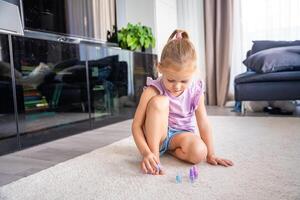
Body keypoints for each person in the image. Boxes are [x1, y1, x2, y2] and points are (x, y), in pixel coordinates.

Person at [131, 29, 233, 175]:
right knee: (160, 102)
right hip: (157, 137)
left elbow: (203, 122)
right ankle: (155, 157)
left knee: (200, 152)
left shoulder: (196, 90)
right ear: (160, 68)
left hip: (180, 137)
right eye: (171, 80)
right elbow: (136, 126)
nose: (177, 86)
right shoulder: (152, 90)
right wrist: (146, 153)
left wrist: (211, 154)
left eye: (184, 81)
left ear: (193, 72)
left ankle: (172, 150)